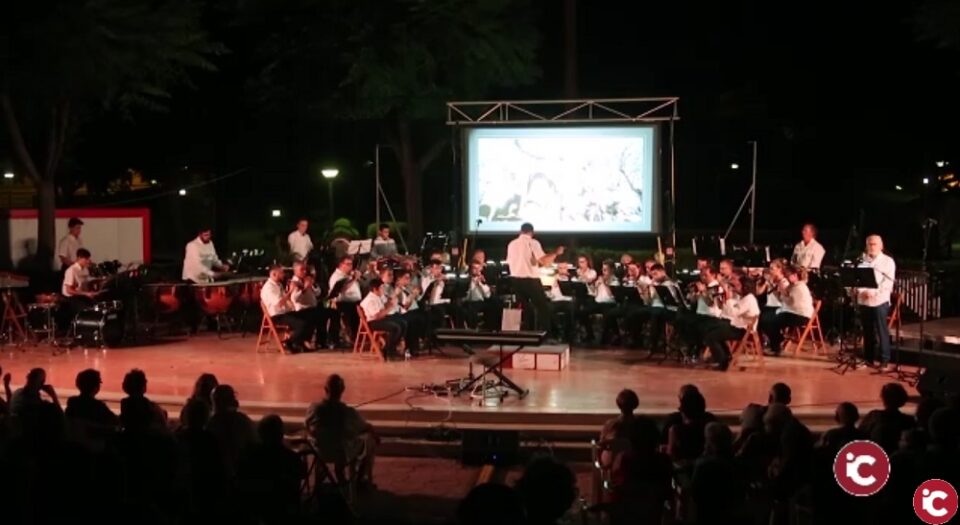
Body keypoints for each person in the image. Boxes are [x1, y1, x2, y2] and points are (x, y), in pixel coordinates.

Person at [305, 374, 378, 486]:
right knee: (368, 440)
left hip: (319, 451)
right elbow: (364, 427)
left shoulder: (313, 409)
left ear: (325, 389)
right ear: (342, 390)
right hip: (341, 452)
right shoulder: (348, 413)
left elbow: (307, 426)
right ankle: (360, 478)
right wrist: (375, 435)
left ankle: (333, 474)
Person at [505, 223, 564, 331]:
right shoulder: (533, 243)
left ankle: (526, 332)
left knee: (524, 308)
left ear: (520, 231)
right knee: (542, 307)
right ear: (532, 232)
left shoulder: (511, 244)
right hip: (531, 280)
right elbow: (544, 261)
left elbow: (513, 262)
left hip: (515, 280)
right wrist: (556, 253)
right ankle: (547, 333)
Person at [702, 274, 760, 371]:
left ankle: (723, 362)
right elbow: (728, 312)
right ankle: (726, 358)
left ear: (745, 286)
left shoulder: (749, 299)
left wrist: (728, 298)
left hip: (743, 330)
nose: (735, 288)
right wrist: (724, 300)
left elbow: (733, 313)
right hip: (738, 326)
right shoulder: (745, 298)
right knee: (712, 330)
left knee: (711, 336)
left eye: (738, 285)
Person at [857, 234, 896, 369]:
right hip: (864, 299)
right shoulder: (862, 260)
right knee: (867, 330)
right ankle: (868, 359)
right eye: (869, 244)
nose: (871, 247)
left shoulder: (887, 261)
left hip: (880, 300)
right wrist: (862, 291)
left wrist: (872, 293)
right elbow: (858, 278)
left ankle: (884, 360)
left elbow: (887, 283)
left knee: (881, 330)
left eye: (874, 244)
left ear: (881, 246)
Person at [760, 264, 813, 356]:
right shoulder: (793, 286)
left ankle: (776, 345)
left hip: (800, 315)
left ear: (795, 275)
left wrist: (783, 292)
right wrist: (777, 290)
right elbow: (782, 299)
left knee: (769, 320)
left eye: (788, 275)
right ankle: (777, 341)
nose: (786, 277)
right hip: (791, 312)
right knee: (765, 318)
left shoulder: (800, 287)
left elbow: (792, 303)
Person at [260, 264, 311, 353]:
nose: (283, 274)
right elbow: (279, 303)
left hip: (285, 312)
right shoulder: (269, 288)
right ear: (274, 274)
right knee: (301, 324)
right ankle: (289, 342)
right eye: (281, 273)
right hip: (277, 316)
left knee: (309, 316)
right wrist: (290, 291)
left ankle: (300, 343)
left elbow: (286, 299)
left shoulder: (278, 284)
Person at [291, 261, 336, 348]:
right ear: (295, 271)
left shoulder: (306, 279)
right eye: (302, 270)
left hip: (312, 308)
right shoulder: (293, 283)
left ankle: (326, 341)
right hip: (302, 309)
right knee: (319, 315)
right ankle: (314, 341)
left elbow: (317, 293)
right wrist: (304, 289)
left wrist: (313, 284)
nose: (305, 272)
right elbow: (295, 299)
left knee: (332, 313)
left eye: (305, 269)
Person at [358, 278, 404, 358]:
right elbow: (377, 315)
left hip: (380, 319)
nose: (383, 290)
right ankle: (387, 350)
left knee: (403, 323)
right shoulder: (370, 300)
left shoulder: (377, 296)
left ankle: (393, 348)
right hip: (373, 322)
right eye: (381, 288)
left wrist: (390, 303)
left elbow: (382, 308)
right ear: (375, 289)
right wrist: (390, 307)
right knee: (395, 327)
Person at [60, 248, 99, 328]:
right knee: (86, 309)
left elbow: (85, 285)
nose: (88, 261)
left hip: (81, 295)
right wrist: (86, 294)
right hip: (71, 298)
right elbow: (69, 290)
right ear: (79, 258)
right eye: (86, 259)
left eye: (88, 259)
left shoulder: (85, 270)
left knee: (97, 305)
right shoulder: (71, 270)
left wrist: (92, 292)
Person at [328, 256, 363, 336]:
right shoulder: (336, 276)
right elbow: (340, 290)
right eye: (348, 264)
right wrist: (354, 279)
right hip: (345, 304)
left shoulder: (348, 275)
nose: (351, 266)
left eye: (351, 264)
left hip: (355, 303)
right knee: (350, 325)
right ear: (341, 264)